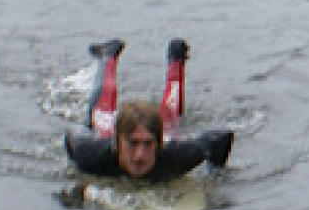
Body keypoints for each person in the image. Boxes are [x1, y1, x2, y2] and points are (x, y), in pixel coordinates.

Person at [65, 39, 234, 179]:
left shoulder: (176, 156)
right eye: (133, 144)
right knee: (98, 115)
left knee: (171, 118)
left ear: (158, 145)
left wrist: (213, 177)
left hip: (163, 135)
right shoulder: (90, 157)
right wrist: (80, 179)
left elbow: (221, 137)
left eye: (148, 144)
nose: (140, 155)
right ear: (117, 145)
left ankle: (176, 59)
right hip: (108, 133)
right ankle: (108, 56)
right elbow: (72, 134)